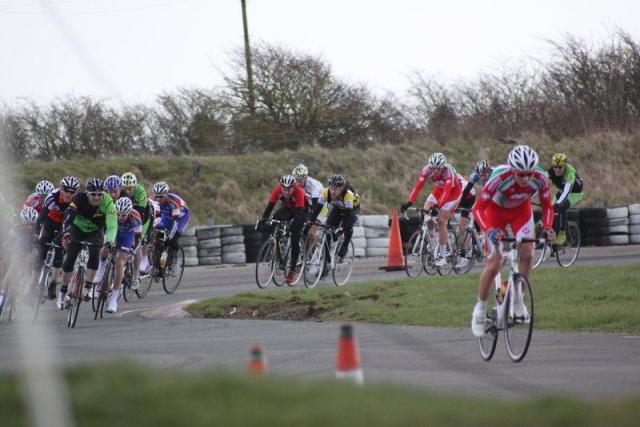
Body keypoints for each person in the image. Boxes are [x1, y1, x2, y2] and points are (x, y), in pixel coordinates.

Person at [470, 145, 555, 337]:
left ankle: (518, 299)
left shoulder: (541, 179)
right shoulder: (498, 178)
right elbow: (477, 209)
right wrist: (489, 230)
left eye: (529, 174)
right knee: (494, 263)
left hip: (520, 212)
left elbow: (547, 206)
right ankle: (480, 310)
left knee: (527, 254)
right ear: (512, 171)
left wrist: (548, 227)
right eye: (521, 175)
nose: (526, 179)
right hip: (494, 213)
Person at [57, 178, 117, 309]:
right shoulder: (79, 198)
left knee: (95, 253)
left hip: (95, 230)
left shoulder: (108, 203)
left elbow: (112, 226)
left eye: (100, 194)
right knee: (70, 259)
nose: (97, 197)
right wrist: (66, 232)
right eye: (93, 194)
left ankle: (88, 287)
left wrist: (109, 242)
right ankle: (62, 291)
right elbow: (68, 218)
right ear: (87, 193)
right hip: (78, 227)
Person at [400, 152, 463, 267]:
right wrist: (409, 202)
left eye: (438, 169)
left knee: (441, 220)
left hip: (453, 194)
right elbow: (418, 186)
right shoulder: (427, 170)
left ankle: (442, 256)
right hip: (439, 190)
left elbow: (447, 191)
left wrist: (437, 207)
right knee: (426, 213)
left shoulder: (448, 172)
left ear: (442, 167)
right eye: (433, 168)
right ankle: (433, 241)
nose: (435, 171)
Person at [258, 175, 306, 284]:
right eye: (284, 189)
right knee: (275, 218)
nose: (286, 192)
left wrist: (294, 227)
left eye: (289, 189)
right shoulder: (278, 190)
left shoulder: (299, 192)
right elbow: (269, 207)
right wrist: (263, 221)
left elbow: (299, 215)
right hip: (289, 207)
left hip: (302, 210)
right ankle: (278, 246)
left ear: (294, 187)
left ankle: (292, 270)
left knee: (294, 237)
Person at [37, 176, 80, 299]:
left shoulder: (76, 201)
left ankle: (52, 284)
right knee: (41, 253)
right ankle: (32, 284)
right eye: (66, 190)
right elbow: (41, 218)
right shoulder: (52, 197)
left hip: (64, 225)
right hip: (50, 223)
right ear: (61, 188)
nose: (69, 194)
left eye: (72, 191)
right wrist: (37, 233)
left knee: (59, 251)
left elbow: (75, 221)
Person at [306, 174, 360, 266]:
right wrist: (311, 222)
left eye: (336, 189)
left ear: (342, 188)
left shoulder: (348, 195)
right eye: (331, 188)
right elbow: (317, 210)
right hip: (337, 208)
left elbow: (346, 218)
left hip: (352, 210)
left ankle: (345, 245)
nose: (333, 191)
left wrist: (341, 230)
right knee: (327, 230)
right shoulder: (326, 192)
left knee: (347, 226)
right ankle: (327, 260)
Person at [104, 197, 143, 314]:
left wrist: (132, 250)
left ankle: (113, 299)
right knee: (103, 250)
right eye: (119, 214)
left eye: (124, 215)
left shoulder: (136, 217)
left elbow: (137, 239)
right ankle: (101, 273)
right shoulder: (111, 212)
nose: (121, 217)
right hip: (114, 232)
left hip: (128, 236)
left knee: (120, 261)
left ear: (130, 212)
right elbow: (105, 230)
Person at [455, 160, 492, 270]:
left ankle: (484, 238)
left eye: (485, 174)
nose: (483, 176)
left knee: (487, 214)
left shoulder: (493, 175)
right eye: (481, 174)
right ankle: (468, 251)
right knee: (464, 226)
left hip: (493, 194)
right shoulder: (474, 176)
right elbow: (466, 190)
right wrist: (457, 203)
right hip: (474, 198)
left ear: (488, 170)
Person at [0, 207, 40, 310]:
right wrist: (7, 248)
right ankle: (2, 294)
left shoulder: (38, 229)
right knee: (13, 267)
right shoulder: (16, 228)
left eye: (32, 224)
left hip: (31, 246)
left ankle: (26, 284)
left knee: (31, 261)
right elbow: (10, 241)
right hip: (19, 246)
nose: (30, 227)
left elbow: (37, 246)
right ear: (22, 222)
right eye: (27, 224)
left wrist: (32, 254)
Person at [151, 182, 190, 273]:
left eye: (161, 197)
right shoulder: (152, 200)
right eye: (157, 196)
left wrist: (170, 235)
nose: (158, 199)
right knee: (159, 238)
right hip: (167, 215)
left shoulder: (174, 202)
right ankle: (158, 265)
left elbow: (175, 222)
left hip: (182, 217)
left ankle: (176, 259)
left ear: (166, 195)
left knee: (172, 239)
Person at [120, 172, 153, 276]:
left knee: (141, 238)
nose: (128, 191)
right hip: (129, 212)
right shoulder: (121, 192)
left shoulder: (140, 191)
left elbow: (141, 213)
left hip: (144, 213)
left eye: (130, 188)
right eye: (125, 188)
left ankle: (144, 259)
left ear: (134, 186)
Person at [548, 153, 584, 245]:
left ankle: (562, 234)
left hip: (575, 193)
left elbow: (567, 192)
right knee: (550, 209)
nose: (557, 169)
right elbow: (542, 182)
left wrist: (558, 204)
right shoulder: (550, 171)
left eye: (560, 167)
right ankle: (552, 235)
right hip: (561, 190)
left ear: (564, 165)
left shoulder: (570, 173)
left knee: (561, 206)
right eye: (555, 167)